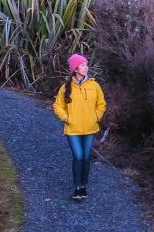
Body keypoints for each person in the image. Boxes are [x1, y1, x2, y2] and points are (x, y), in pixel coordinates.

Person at [53, 53, 106, 201]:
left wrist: (96, 117)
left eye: (86, 64)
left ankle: (84, 186)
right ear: (75, 68)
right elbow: (58, 106)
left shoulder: (94, 85)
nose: (86, 67)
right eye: (83, 65)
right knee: (78, 156)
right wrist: (67, 118)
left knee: (86, 158)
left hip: (90, 128)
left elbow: (101, 104)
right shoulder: (66, 87)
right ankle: (77, 188)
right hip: (73, 129)